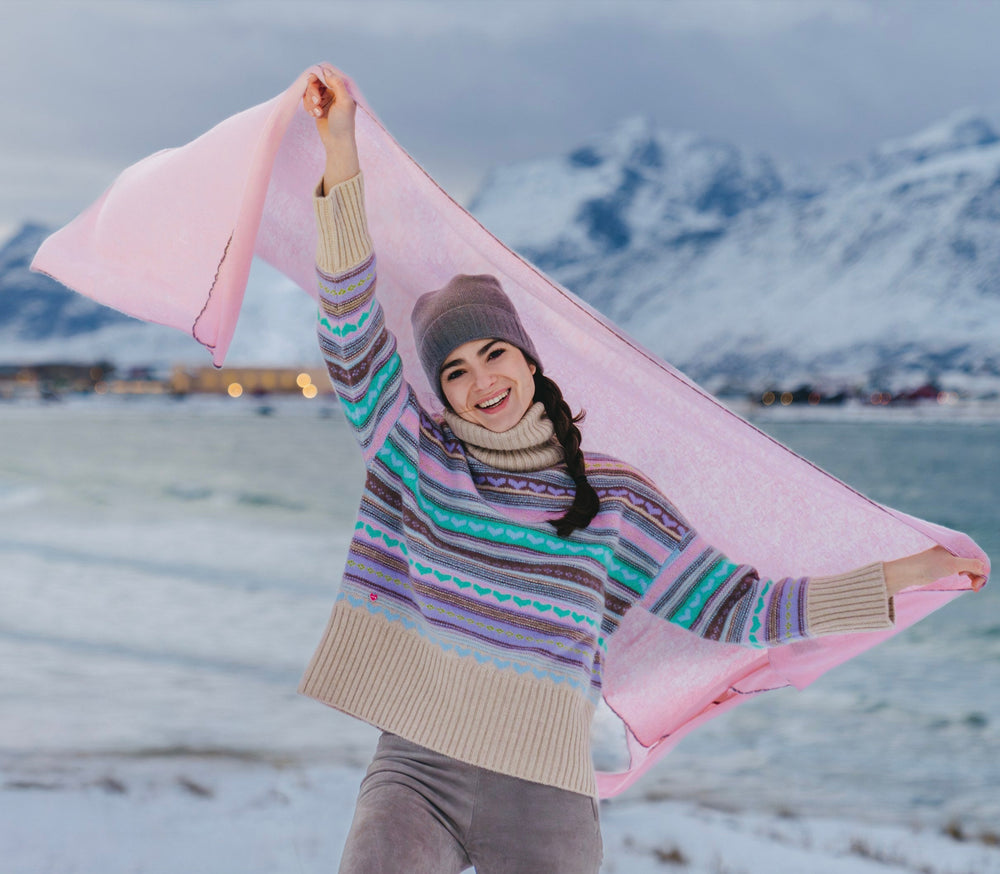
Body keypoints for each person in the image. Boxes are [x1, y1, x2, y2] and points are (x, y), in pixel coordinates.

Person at [298, 68, 987, 874]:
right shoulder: (415, 455)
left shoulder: (614, 500)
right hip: (415, 769)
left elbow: (737, 608)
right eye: (455, 371)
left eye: (495, 354)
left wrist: (908, 573)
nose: (482, 381)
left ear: (529, 363)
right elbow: (349, 327)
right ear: (440, 392)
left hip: (543, 788)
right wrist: (340, 143)